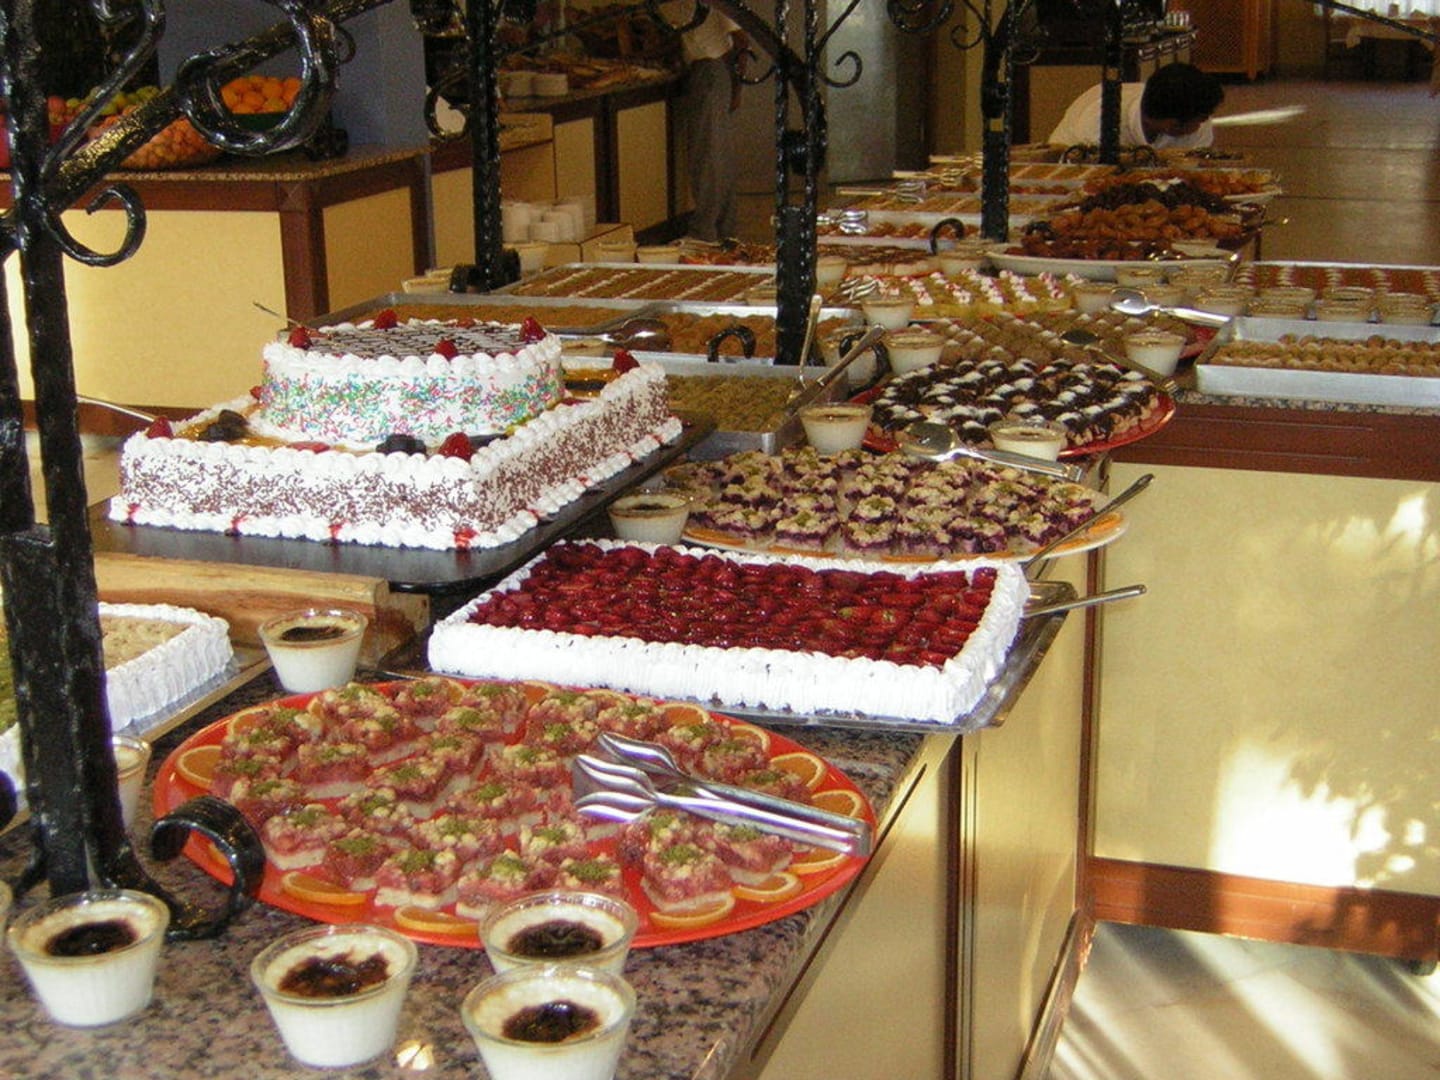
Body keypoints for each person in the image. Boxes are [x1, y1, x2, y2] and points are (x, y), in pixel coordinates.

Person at [675, 5, 747, 243]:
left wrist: (738, 86)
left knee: (708, 154)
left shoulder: (714, 6)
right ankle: (725, 228)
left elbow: (741, 39)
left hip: (710, 68)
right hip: (709, 69)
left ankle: (704, 229)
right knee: (717, 152)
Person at [1046, 62, 1224, 151]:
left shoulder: (1193, 116)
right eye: (1201, 118)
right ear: (1172, 124)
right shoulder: (1100, 121)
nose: (1205, 122)